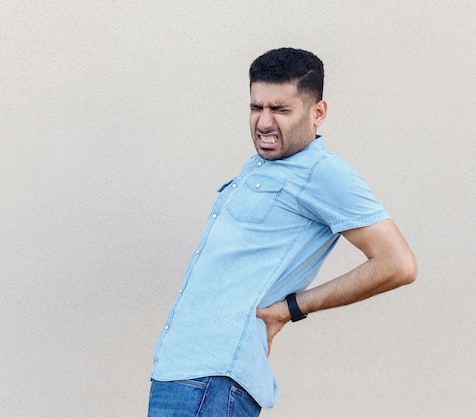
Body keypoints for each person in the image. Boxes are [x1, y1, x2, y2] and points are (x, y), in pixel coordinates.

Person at [148, 47, 416, 417]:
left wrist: (291, 309)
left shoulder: (323, 172)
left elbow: (397, 264)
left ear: (317, 112)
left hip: (212, 380)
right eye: (256, 107)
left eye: (280, 109)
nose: (263, 122)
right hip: (181, 371)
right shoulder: (258, 166)